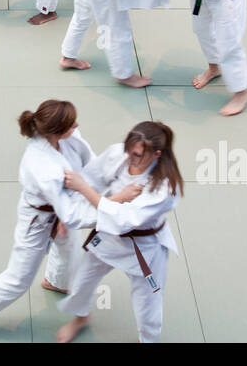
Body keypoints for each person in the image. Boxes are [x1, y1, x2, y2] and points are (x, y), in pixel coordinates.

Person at [0, 100, 106, 344]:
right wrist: (110, 213)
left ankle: (56, 282)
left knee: (72, 258)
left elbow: (92, 165)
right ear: (56, 131)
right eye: (71, 124)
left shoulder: (69, 137)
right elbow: (71, 214)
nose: (77, 125)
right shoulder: (41, 164)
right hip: (38, 219)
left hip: (69, 204)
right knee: (19, 278)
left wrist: (91, 193)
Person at [56, 120, 183, 344]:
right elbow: (92, 178)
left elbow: (122, 219)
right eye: (128, 150)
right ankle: (81, 318)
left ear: (156, 154)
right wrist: (69, 212)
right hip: (109, 238)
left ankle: (147, 340)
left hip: (145, 248)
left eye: (137, 155)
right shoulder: (119, 154)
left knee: (148, 304)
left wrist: (83, 189)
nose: (129, 157)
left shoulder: (165, 187)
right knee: (81, 281)